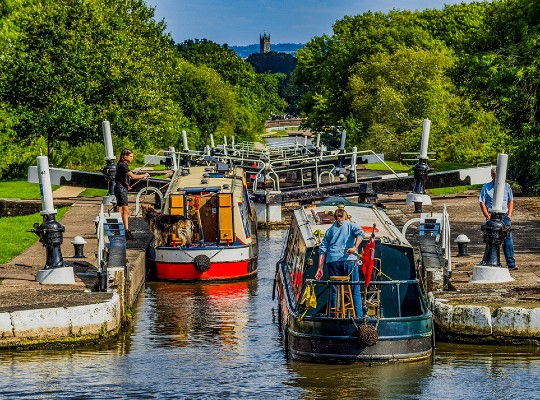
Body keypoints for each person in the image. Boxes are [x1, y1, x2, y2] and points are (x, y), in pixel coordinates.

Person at [315, 208, 365, 316]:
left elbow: (323, 249)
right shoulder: (351, 225)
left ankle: (334, 316)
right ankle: (359, 316)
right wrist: (355, 247)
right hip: (349, 260)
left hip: (332, 262)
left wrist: (320, 268)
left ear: (334, 218)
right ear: (346, 216)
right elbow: (361, 234)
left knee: (335, 289)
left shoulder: (330, 230)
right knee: (354, 289)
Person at [479, 167, 516, 270]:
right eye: (496, 176)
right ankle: (490, 260)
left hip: (504, 216)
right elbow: (482, 202)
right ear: (492, 176)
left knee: (508, 239)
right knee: (492, 238)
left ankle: (511, 264)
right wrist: (487, 216)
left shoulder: (507, 186)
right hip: (492, 216)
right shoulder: (486, 187)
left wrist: (509, 214)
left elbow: (510, 200)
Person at [114, 148, 150, 240]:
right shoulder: (122, 165)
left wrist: (127, 185)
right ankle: (126, 231)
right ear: (124, 156)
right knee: (125, 210)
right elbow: (133, 176)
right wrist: (144, 175)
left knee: (121, 210)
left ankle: (120, 229)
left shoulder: (122, 165)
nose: (132, 158)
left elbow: (120, 177)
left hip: (121, 188)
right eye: (130, 156)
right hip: (120, 189)